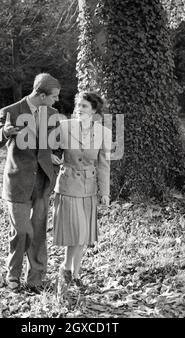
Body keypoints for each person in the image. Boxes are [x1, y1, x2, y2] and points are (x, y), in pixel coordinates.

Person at [0, 73, 62, 292]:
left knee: (39, 231)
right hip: (18, 181)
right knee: (22, 230)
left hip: (42, 182)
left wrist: (53, 156)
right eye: (54, 97)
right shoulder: (10, 111)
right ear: (40, 95)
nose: (56, 101)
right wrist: (5, 132)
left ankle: (36, 278)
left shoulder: (53, 114)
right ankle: (13, 274)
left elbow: (56, 144)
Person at [53, 91, 112, 288]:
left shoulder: (103, 133)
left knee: (83, 236)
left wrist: (104, 192)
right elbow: (50, 151)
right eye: (78, 105)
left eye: (84, 106)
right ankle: (66, 268)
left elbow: (104, 164)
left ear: (94, 110)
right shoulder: (64, 127)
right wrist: (53, 158)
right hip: (68, 184)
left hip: (88, 187)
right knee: (77, 232)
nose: (79, 109)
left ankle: (73, 273)